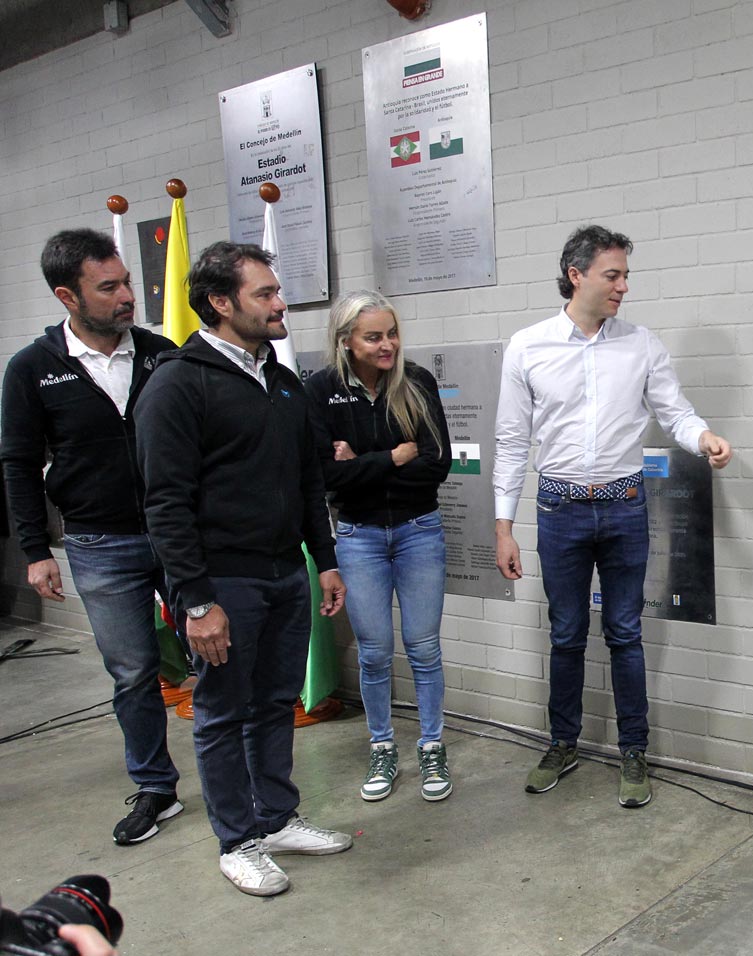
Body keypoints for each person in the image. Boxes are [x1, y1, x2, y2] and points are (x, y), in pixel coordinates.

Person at [134, 241, 351, 897]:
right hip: (223, 583)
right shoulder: (178, 383)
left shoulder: (282, 381)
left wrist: (327, 563)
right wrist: (195, 603)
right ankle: (238, 841)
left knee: (274, 703)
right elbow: (165, 504)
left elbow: (308, 479)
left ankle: (277, 818)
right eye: (265, 294)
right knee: (224, 713)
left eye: (276, 290)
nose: (281, 302)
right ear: (221, 303)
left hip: (288, 573)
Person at [493, 225, 732, 808]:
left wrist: (703, 438)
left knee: (626, 632)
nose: (624, 286)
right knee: (567, 633)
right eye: (613, 274)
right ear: (577, 275)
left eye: (626, 275)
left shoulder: (641, 345)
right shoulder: (527, 347)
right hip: (559, 510)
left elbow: (674, 412)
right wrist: (503, 527)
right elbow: (509, 441)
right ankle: (563, 743)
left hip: (624, 507)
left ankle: (633, 752)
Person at [0, 229, 184, 846]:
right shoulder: (31, 370)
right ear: (66, 295)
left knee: (220, 655)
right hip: (99, 544)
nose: (128, 295)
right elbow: (19, 464)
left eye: (128, 281)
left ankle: (233, 772)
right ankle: (156, 787)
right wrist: (34, 550)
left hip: (178, 535)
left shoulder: (163, 355)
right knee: (132, 672)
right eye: (109, 287)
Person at [305, 291, 453, 803]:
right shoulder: (320, 389)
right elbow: (325, 476)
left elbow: (436, 465)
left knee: (423, 647)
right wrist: (391, 456)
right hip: (358, 536)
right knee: (373, 653)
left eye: (392, 333)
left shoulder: (416, 382)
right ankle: (383, 745)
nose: (388, 344)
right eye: (374, 336)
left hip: (419, 531)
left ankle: (432, 745)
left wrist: (358, 463)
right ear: (346, 341)